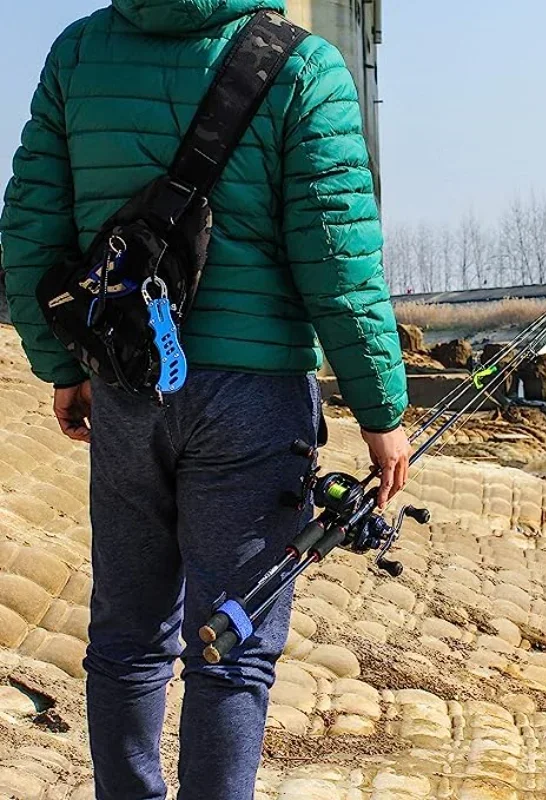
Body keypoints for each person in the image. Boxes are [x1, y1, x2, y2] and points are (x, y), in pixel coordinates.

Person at [0, 1, 410, 798]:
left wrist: (63, 364)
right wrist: (381, 411)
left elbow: (27, 231)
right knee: (234, 651)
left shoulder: (79, 54)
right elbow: (338, 260)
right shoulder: (305, 65)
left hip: (127, 385)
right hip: (255, 400)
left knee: (125, 639)